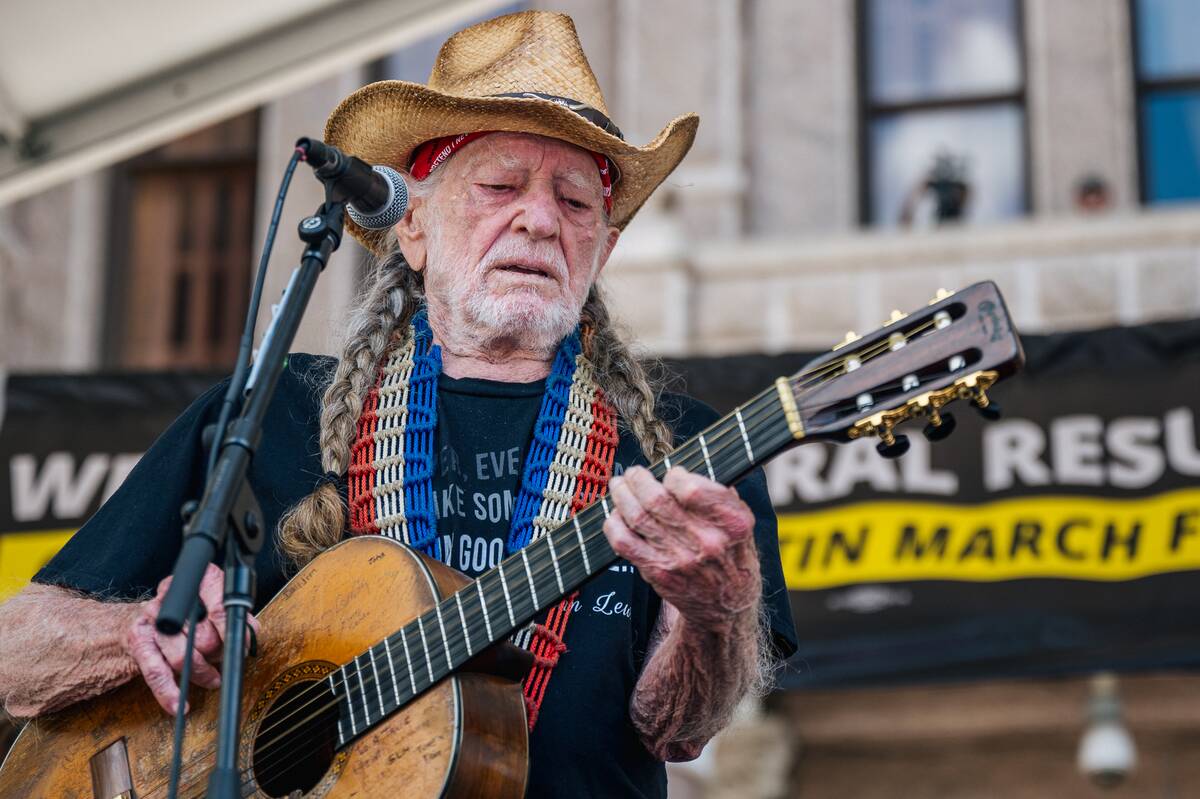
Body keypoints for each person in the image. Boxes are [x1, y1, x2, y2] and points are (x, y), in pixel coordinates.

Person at [0, 11, 796, 797]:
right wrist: (131, 638)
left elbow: (678, 729)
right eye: (500, 185)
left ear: (604, 247)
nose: (540, 218)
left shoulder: (689, 457)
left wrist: (715, 611)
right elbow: (15, 653)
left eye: (578, 202)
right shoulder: (266, 411)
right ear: (411, 225)